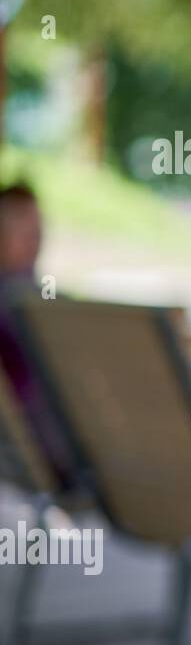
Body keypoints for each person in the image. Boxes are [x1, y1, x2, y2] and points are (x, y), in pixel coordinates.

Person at [0, 182, 78, 491]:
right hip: (49, 450)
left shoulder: (37, 298)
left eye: (38, 229)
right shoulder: (21, 305)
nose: (36, 239)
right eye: (23, 229)